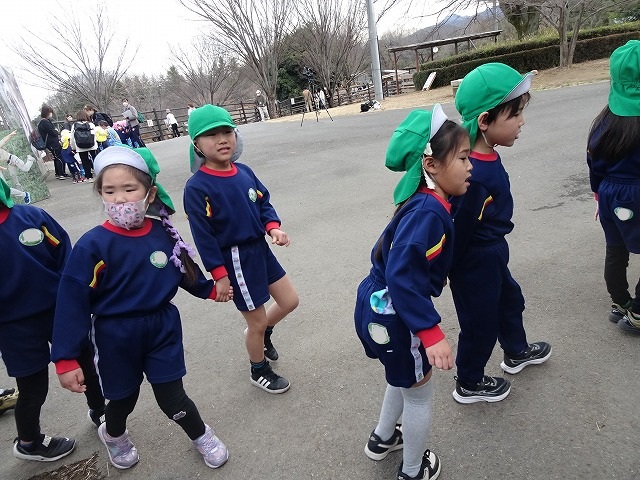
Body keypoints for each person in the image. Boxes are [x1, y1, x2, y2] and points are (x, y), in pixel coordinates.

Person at [50, 146, 229, 470]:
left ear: (150, 194)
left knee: (172, 396)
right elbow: (71, 303)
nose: (119, 198)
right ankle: (114, 434)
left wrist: (210, 289)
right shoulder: (92, 245)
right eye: (109, 191)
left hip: (162, 329)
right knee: (123, 398)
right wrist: (65, 359)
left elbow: (183, 269)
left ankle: (201, 434)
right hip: (114, 335)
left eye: (129, 189)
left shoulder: (163, 232)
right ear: (101, 194)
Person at [354, 105, 471, 480]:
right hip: (397, 313)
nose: (470, 166)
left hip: (375, 304)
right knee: (419, 394)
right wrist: (430, 332)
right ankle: (413, 470)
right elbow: (403, 278)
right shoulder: (428, 213)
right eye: (463, 158)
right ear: (430, 165)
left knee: (402, 375)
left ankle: (383, 438)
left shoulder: (423, 201)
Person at [449, 62, 552, 404]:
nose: (522, 121)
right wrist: (449, 268)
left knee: (510, 300)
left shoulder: (486, 155)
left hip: (492, 252)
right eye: (515, 114)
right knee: (480, 322)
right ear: (484, 121)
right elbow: (460, 228)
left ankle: (516, 351)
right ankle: (469, 381)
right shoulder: (474, 176)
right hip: (475, 260)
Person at [184, 105, 299, 394]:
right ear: (196, 144)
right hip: (234, 259)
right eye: (211, 135)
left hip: (259, 249)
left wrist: (273, 228)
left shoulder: (245, 172)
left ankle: (262, 333)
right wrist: (219, 275)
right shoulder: (197, 187)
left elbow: (263, 202)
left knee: (289, 301)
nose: (222, 139)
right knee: (255, 322)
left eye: (227, 132)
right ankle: (258, 369)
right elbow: (203, 236)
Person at [0, 176, 105, 462]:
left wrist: (74, 294)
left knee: (86, 362)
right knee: (32, 385)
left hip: (60, 311)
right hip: (12, 326)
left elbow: (63, 254)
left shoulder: (31, 217)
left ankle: (100, 410)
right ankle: (29, 442)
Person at [587, 40, 640, 332]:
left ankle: (620, 302)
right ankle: (638, 313)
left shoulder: (602, 124)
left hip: (609, 195)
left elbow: (594, 164)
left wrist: (599, 195)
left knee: (616, 250)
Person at [37, 105, 67, 179]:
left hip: (50, 143)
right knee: (59, 157)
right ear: (47, 113)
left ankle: (58, 173)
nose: (51, 114)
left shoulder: (44, 122)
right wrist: (56, 131)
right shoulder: (45, 122)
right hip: (52, 143)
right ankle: (61, 173)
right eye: (50, 112)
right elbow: (52, 132)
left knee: (56, 157)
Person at [70, 110, 97, 182]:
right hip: (91, 145)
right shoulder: (90, 124)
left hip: (80, 146)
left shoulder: (74, 125)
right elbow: (95, 135)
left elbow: (72, 137)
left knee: (84, 161)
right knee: (95, 159)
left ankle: (89, 177)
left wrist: (73, 147)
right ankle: (98, 173)